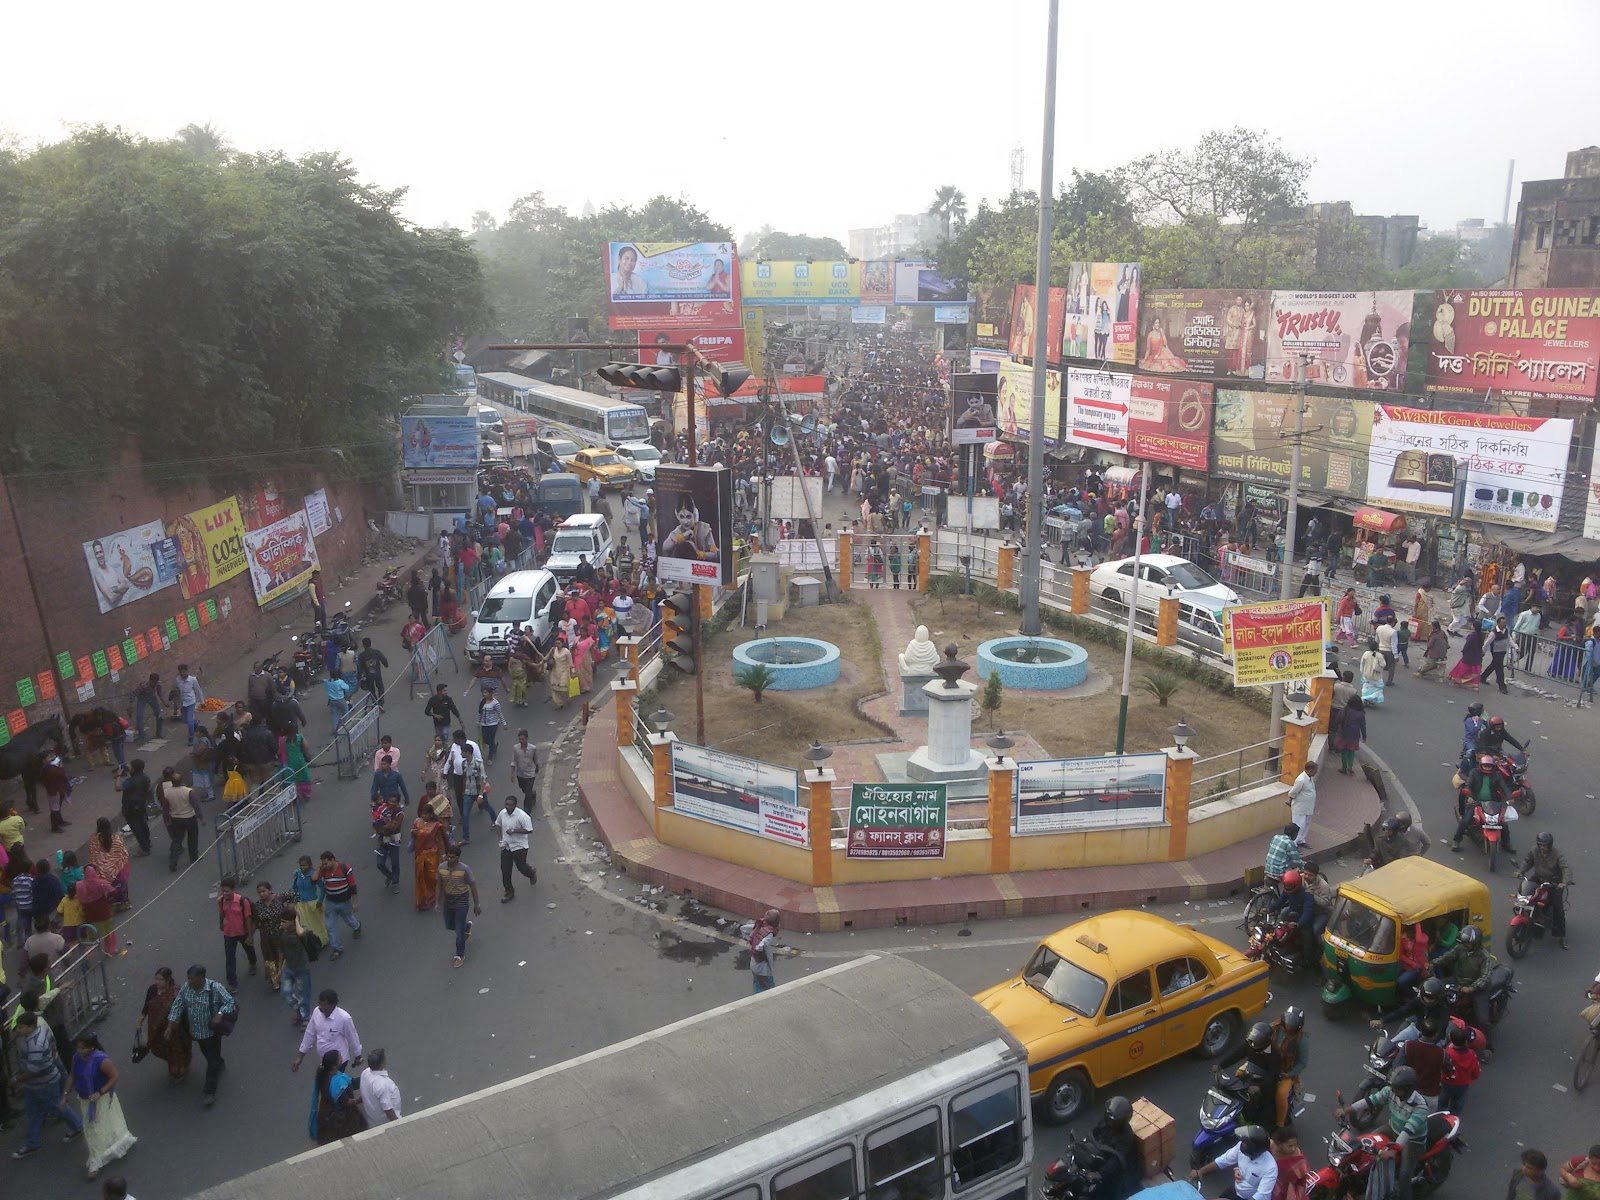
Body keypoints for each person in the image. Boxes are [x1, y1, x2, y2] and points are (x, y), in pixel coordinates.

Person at [1336, 1067, 1430, 1200]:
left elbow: (1408, 1130)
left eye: (1397, 1089)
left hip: (1412, 1140)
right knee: (1365, 1144)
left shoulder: (1420, 1107)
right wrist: (1348, 1110)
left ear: (1408, 1089)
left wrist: (1394, 1150)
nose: (1393, 1091)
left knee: (1404, 1177)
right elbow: (1371, 1100)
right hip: (1392, 1128)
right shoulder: (1390, 1091)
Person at [10, 1008, 84, 1160]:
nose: (18, 1030)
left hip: (43, 1084)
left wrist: (17, 1079)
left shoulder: (36, 1045)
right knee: (33, 1111)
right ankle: (32, 1142)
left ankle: (77, 1125)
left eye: (21, 1027)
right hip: (37, 1083)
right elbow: (53, 1048)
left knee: (55, 1107)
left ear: (30, 1027)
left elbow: (33, 1071)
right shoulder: (42, 1031)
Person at [70, 1033, 136, 1180]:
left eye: (83, 1048)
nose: (79, 1051)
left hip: (102, 1100)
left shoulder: (101, 1060)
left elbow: (114, 1076)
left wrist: (100, 1092)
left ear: (92, 1047)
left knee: (93, 1129)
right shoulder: (76, 1058)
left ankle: (95, 1163)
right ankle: (106, 1149)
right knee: (94, 1128)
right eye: (78, 1047)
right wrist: (64, 1094)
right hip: (85, 1100)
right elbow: (72, 1076)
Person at [167, 964, 235, 1106]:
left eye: (192, 979)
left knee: (211, 1060)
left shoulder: (215, 988)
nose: (189, 981)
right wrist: (171, 1023)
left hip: (212, 1033)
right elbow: (178, 1004)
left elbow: (230, 1002)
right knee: (208, 1054)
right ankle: (219, 1062)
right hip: (196, 1032)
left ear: (201, 978)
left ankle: (209, 1091)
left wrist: (220, 1014)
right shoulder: (186, 988)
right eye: (188, 978)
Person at [1433, 925, 1497, 1046]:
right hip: (1459, 981)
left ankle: (1488, 1046)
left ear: (1476, 943)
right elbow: (1448, 957)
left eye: (1468, 943)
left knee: (1482, 1020)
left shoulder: (1484, 956)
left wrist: (1472, 988)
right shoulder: (1460, 948)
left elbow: (1485, 976)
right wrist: (1433, 964)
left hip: (1477, 988)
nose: (1465, 944)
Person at [1451, 753, 1516, 856]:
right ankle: (1456, 840)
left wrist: (1510, 797)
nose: (1487, 768)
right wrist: (1470, 796)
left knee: (1502, 823)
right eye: (1485, 766)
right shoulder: (1474, 773)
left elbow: (1504, 787)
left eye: (1489, 766)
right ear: (1481, 765)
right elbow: (1468, 785)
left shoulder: (1497, 775)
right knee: (1466, 820)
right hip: (1476, 802)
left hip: (1493, 803)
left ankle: (1506, 843)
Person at [1190, 1124, 1277, 1199]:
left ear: (1252, 1148)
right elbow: (1223, 1161)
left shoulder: (1270, 1167)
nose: (1241, 1143)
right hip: (1236, 1190)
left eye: (1245, 1143)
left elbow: (1261, 1195)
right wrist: (1200, 1172)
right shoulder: (1240, 1147)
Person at [136, 966, 190, 1082]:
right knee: (159, 1048)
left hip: (174, 1029)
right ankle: (173, 1065)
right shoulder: (152, 990)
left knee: (177, 1050)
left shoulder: (175, 992)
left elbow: (180, 1012)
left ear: (168, 979)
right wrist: (140, 1020)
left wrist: (171, 1026)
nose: (157, 982)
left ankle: (181, 1070)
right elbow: (147, 1006)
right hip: (156, 1028)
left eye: (160, 979)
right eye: (156, 979)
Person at [1518, 832, 1572, 948]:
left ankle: (1561, 936)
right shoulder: (1534, 850)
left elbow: (1565, 868)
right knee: (1525, 892)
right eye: (1540, 845)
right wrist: (1520, 871)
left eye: (1545, 845)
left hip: (1554, 882)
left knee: (1558, 909)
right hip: (1538, 878)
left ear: (1550, 845)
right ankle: (1524, 914)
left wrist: (1564, 882)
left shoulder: (1558, 855)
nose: (1542, 847)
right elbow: (1527, 861)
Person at [293, 989, 363, 1074]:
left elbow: (352, 1037)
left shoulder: (344, 1018)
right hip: (324, 1060)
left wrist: (358, 1055)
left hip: (338, 1061)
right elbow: (309, 1034)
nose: (320, 1007)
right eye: (319, 1004)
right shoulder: (316, 1012)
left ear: (333, 1004)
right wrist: (300, 1057)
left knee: (331, 1081)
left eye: (324, 1005)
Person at [309, 1048, 367, 1144]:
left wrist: (366, 1078)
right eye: (339, 1057)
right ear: (334, 1066)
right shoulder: (338, 1083)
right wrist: (359, 1100)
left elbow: (351, 1083)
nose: (341, 1057)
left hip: (327, 1111)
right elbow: (345, 1102)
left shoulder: (324, 1075)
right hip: (342, 1117)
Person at [438, 843, 481, 968]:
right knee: (449, 925)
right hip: (448, 901)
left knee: (458, 930)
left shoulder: (464, 869)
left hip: (461, 901)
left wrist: (477, 904)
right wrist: (436, 902)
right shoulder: (442, 867)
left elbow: (473, 885)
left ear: (458, 858)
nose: (449, 859)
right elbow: (438, 884)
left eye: (452, 857)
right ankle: (466, 927)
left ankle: (459, 955)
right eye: (448, 856)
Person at [316, 851, 361, 960]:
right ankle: (337, 948)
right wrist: (320, 868)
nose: (324, 866)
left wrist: (355, 903)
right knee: (330, 926)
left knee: (348, 919)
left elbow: (353, 886)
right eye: (323, 864)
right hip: (330, 903)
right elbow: (314, 879)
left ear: (332, 860)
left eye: (326, 863)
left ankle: (357, 926)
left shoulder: (346, 869)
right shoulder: (324, 870)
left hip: (345, 902)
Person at [216, 876, 257, 992]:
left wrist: (250, 935)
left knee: (249, 949)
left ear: (233, 890)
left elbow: (248, 918)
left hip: (242, 932)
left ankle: (252, 962)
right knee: (230, 958)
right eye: (223, 891)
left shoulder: (242, 901)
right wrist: (221, 924)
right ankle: (232, 983)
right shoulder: (220, 900)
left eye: (227, 891)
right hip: (229, 933)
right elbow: (222, 913)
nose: (225, 894)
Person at [495, 795, 537, 902]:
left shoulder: (522, 816)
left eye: (510, 805)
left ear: (515, 805)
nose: (508, 807)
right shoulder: (502, 813)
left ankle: (531, 873)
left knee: (521, 868)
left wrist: (514, 831)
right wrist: (500, 839)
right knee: (505, 870)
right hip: (506, 846)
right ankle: (509, 891)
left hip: (519, 847)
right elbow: (497, 824)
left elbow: (529, 829)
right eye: (506, 804)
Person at [157, 768, 200, 872]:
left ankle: (173, 861)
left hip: (175, 818)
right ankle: (193, 857)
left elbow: (164, 806)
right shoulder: (187, 791)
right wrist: (201, 817)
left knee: (177, 840)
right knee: (192, 838)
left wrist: (166, 818)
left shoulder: (165, 791)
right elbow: (195, 804)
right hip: (189, 817)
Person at [1437, 1022, 1480, 1114]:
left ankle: (1440, 1115)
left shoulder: (1448, 1053)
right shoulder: (1472, 1054)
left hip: (1447, 1082)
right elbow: (1476, 1071)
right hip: (1463, 1083)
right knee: (1458, 1102)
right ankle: (1454, 1117)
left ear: (1451, 1039)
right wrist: (1473, 1077)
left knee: (1443, 1099)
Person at [412, 802, 447, 911]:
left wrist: (443, 854)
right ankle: (423, 899)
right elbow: (415, 837)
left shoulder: (436, 825)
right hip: (420, 853)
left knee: (432, 875)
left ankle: (437, 890)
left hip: (432, 854)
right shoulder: (418, 823)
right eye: (422, 814)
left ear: (431, 814)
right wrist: (414, 832)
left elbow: (440, 841)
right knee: (421, 876)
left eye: (425, 814)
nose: (423, 816)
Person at [289, 855, 330, 949]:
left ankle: (321, 941)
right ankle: (311, 943)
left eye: (305, 865)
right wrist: (291, 890)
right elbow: (293, 885)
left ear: (310, 865)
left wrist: (320, 901)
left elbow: (323, 888)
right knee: (305, 925)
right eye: (301, 865)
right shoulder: (297, 874)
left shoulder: (314, 875)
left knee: (316, 924)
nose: (302, 867)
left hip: (312, 904)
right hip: (301, 904)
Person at [114, 759, 153, 856]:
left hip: (130, 808)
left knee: (137, 829)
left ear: (134, 769)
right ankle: (147, 843)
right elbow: (148, 789)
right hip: (141, 805)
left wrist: (118, 775)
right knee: (143, 825)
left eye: (130, 767)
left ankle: (145, 849)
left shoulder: (130, 782)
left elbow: (118, 787)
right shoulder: (145, 778)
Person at [359, 1048, 402, 1126]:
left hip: (373, 1120)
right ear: (382, 1063)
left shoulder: (365, 1073)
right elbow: (388, 1109)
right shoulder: (382, 1084)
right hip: (385, 1124)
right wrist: (398, 1124)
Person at [1270, 1126, 1312, 1200]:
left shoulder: (1298, 1158)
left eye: (1295, 1145)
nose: (1293, 1148)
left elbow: (1301, 1182)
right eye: (1290, 1146)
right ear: (1279, 1144)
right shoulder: (1270, 1147)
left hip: (1285, 1192)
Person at [748, 907, 780, 993]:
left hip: (753, 964)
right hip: (763, 969)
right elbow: (763, 943)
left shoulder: (759, 926)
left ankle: (756, 998)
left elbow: (743, 928)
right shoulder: (769, 933)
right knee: (770, 989)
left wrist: (750, 940)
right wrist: (759, 947)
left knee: (757, 984)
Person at [1286, 762, 1317, 849]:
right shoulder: (1301, 780)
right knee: (1298, 826)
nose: (1316, 772)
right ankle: (1294, 844)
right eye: (1315, 770)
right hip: (1300, 808)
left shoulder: (1309, 778)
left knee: (1306, 824)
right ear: (1310, 770)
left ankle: (1301, 840)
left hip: (1308, 808)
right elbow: (1293, 792)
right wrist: (1290, 800)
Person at [174, 665, 205, 746]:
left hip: (191, 702)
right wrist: (176, 704)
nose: (182, 673)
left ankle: (191, 738)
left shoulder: (192, 680)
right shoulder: (177, 680)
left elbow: (198, 690)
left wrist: (202, 702)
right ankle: (195, 723)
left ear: (187, 671)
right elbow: (176, 691)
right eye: (180, 672)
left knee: (189, 722)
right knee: (185, 720)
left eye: (183, 671)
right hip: (182, 703)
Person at [1481, 615, 1513, 693]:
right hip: (1496, 652)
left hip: (1503, 651)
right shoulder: (1493, 633)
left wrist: (1516, 647)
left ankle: (1483, 677)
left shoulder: (1506, 631)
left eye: (1505, 623)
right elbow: (1487, 643)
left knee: (1494, 665)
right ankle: (1502, 686)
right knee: (1499, 668)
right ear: (1498, 623)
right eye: (1502, 623)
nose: (1504, 625)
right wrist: (1483, 651)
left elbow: (1509, 640)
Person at [511, 729, 540, 812]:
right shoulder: (516, 748)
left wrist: (537, 767)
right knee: (524, 789)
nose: (521, 741)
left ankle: (527, 811)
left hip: (530, 774)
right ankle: (532, 794)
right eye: (520, 739)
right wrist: (512, 774)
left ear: (527, 738)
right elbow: (513, 761)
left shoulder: (533, 748)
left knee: (527, 794)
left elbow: (535, 759)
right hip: (520, 774)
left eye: (523, 739)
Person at [356, 638, 389, 710]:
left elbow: (359, 666)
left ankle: (375, 702)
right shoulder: (376, 652)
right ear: (371, 644)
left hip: (368, 675)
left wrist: (361, 675)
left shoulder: (361, 656)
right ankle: (381, 702)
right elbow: (384, 659)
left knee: (371, 689)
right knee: (380, 687)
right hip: (377, 673)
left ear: (363, 645)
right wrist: (386, 664)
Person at [1449, 624, 1484, 689]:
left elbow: (1467, 645)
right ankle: (1473, 683)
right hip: (1477, 656)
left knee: (1463, 669)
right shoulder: (1481, 635)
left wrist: (1463, 651)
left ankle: (1459, 682)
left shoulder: (1472, 636)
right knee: (1474, 670)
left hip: (1469, 656)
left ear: (1474, 627)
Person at [478, 685, 504, 762]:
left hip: (493, 724)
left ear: (490, 693)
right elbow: (480, 712)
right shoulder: (482, 701)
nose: (484, 694)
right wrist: (478, 721)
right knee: (485, 739)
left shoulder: (495, 703)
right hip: (484, 724)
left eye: (486, 692)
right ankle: (493, 746)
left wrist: (504, 723)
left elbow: (500, 713)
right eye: (483, 692)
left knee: (491, 739)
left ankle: (490, 757)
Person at [1359, 638, 1386, 704]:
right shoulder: (1379, 655)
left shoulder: (1366, 653)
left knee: (1366, 688)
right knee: (1376, 689)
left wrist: (1362, 672)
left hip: (1366, 675)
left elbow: (1362, 664)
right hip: (1376, 676)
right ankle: (1371, 700)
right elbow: (1383, 664)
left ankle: (1365, 699)